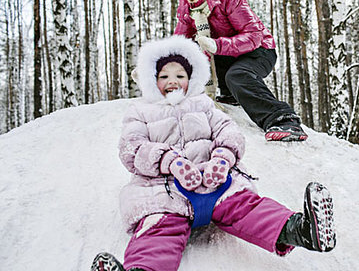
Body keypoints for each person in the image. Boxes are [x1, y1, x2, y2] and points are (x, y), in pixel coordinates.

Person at [90, 36, 335, 271]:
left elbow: (228, 131)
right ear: (152, 80)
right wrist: (169, 161)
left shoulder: (203, 105)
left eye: (180, 75)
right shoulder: (141, 111)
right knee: (157, 231)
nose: (172, 81)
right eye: (164, 76)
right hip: (166, 193)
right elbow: (131, 148)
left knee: (248, 208)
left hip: (216, 182)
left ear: (191, 78)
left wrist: (222, 158)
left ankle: (303, 231)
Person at [174, 0, 307, 141]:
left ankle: (283, 118)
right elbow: (180, 43)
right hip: (227, 52)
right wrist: (157, 64)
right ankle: (231, 94)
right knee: (197, 54)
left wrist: (217, 45)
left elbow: (254, 35)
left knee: (238, 75)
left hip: (260, 50)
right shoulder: (187, 5)